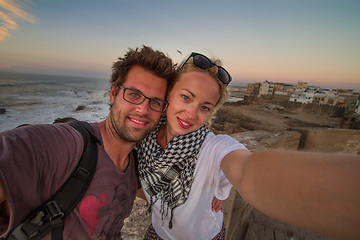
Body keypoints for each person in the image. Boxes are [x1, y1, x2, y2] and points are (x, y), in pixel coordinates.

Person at [136, 52, 360, 240]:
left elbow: (246, 172)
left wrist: (221, 191)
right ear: (168, 94)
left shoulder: (214, 148)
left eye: (205, 107)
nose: (191, 114)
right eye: (186, 97)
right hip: (159, 233)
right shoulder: (144, 138)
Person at [0, 45, 176, 240]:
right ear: (113, 93)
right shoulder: (66, 144)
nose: (143, 110)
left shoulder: (134, 168)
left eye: (155, 102)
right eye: (134, 95)